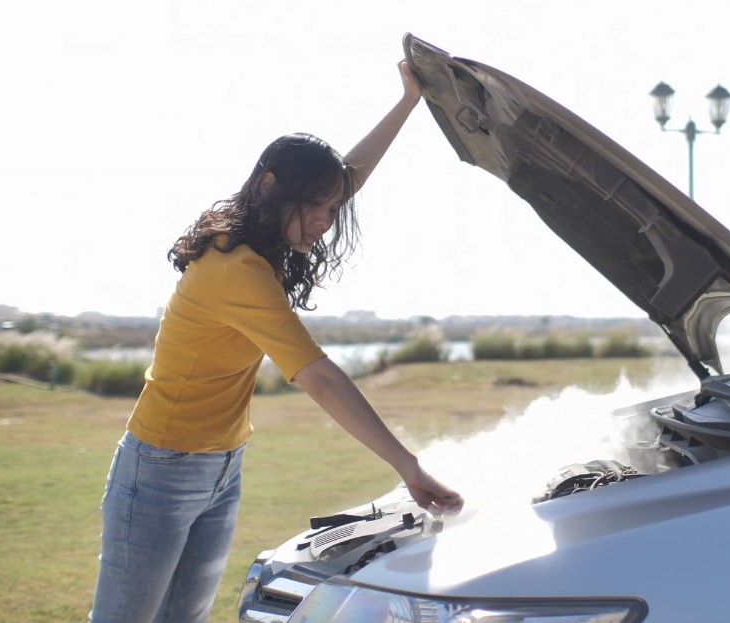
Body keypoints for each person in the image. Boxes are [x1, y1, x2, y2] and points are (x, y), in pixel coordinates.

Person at [89, 60, 462, 623]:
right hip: (161, 471)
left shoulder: (260, 241)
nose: (325, 221)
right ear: (270, 187)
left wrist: (408, 102)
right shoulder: (234, 267)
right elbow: (320, 377)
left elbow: (349, 175)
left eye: (332, 208)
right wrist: (408, 466)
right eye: (314, 205)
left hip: (221, 464)